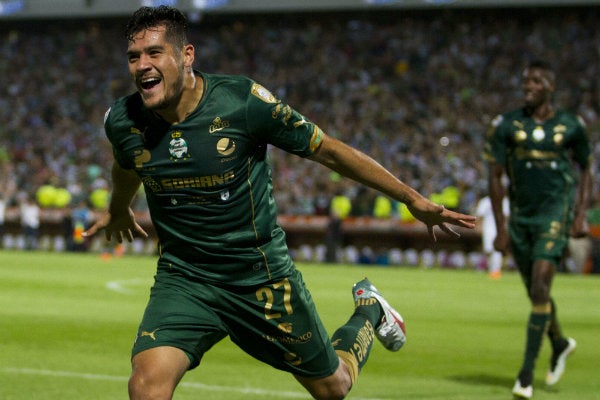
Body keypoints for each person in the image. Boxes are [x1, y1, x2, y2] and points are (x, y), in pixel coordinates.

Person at [83, 6, 476, 400]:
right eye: (134, 57)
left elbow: (329, 151)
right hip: (185, 278)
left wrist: (410, 197)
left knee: (333, 387)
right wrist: (119, 208)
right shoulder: (123, 119)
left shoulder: (242, 102)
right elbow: (128, 164)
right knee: (146, 387)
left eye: (154, 53)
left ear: (187, 55)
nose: (142, 65)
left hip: (258, 277)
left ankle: (371, 311)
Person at [484, 60, 592, 399]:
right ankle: (559, 343)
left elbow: (586, 170)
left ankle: (526, 375)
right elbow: (494, 175)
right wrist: (501, 228)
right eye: (524, 81)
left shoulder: (572, 125)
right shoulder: (506, 124)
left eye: (534, 81)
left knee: (542, 282)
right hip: (520, 218)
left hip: (554, 214)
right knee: (537, 291)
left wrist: (579, 215)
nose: (527, 86)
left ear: (550, 86)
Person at [474, 194, 509, 279]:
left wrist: (506, 229)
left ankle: (496, 270)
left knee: (497, 249)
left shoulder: (504, 201)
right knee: (488, 250)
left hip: (499, 229)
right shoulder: (485, 201)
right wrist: (478, 226)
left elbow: (507, 217)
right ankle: (490, 268)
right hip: (487, 228)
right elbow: (479, 216)